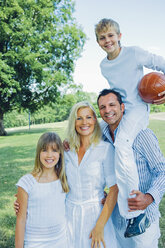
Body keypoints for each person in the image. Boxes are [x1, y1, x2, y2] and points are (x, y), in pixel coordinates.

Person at [95, 18, 165, 237]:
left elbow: (159, 62)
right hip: (121, 111)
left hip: (136, 110)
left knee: (122, 146)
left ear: (119, 36)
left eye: (110, 35)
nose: (107, 41)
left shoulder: (134, 53)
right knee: (91, 129)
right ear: (98, 42)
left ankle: (135, 214)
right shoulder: (103, 65)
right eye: (102, 38)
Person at [97, 88, 165, 248]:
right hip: (117, 218)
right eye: (102, 107)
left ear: (122, 107)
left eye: (112, 105)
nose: (107, 110)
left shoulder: (142, 135)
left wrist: (149, 197)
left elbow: (162, 171)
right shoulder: (102, 138)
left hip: (144, 219)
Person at [64, 101, 118, 248]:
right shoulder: (66, 150)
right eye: (79, 118)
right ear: (73, 122)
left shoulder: (105, 149)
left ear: (95, 119)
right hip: (68, 214)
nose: (84, 122)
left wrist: (99, 227)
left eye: (88, 117)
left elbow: (114, 189)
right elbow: (51, 177)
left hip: (95, 215)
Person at [15, 132, 69, 248]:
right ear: (38, 153)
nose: (49, 155)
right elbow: (21, 220)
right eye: (44, 150)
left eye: (54, 150)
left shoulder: (63, 179)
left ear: (60, 154)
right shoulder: (27, 182)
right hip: (35, 242)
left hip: (61, 240)